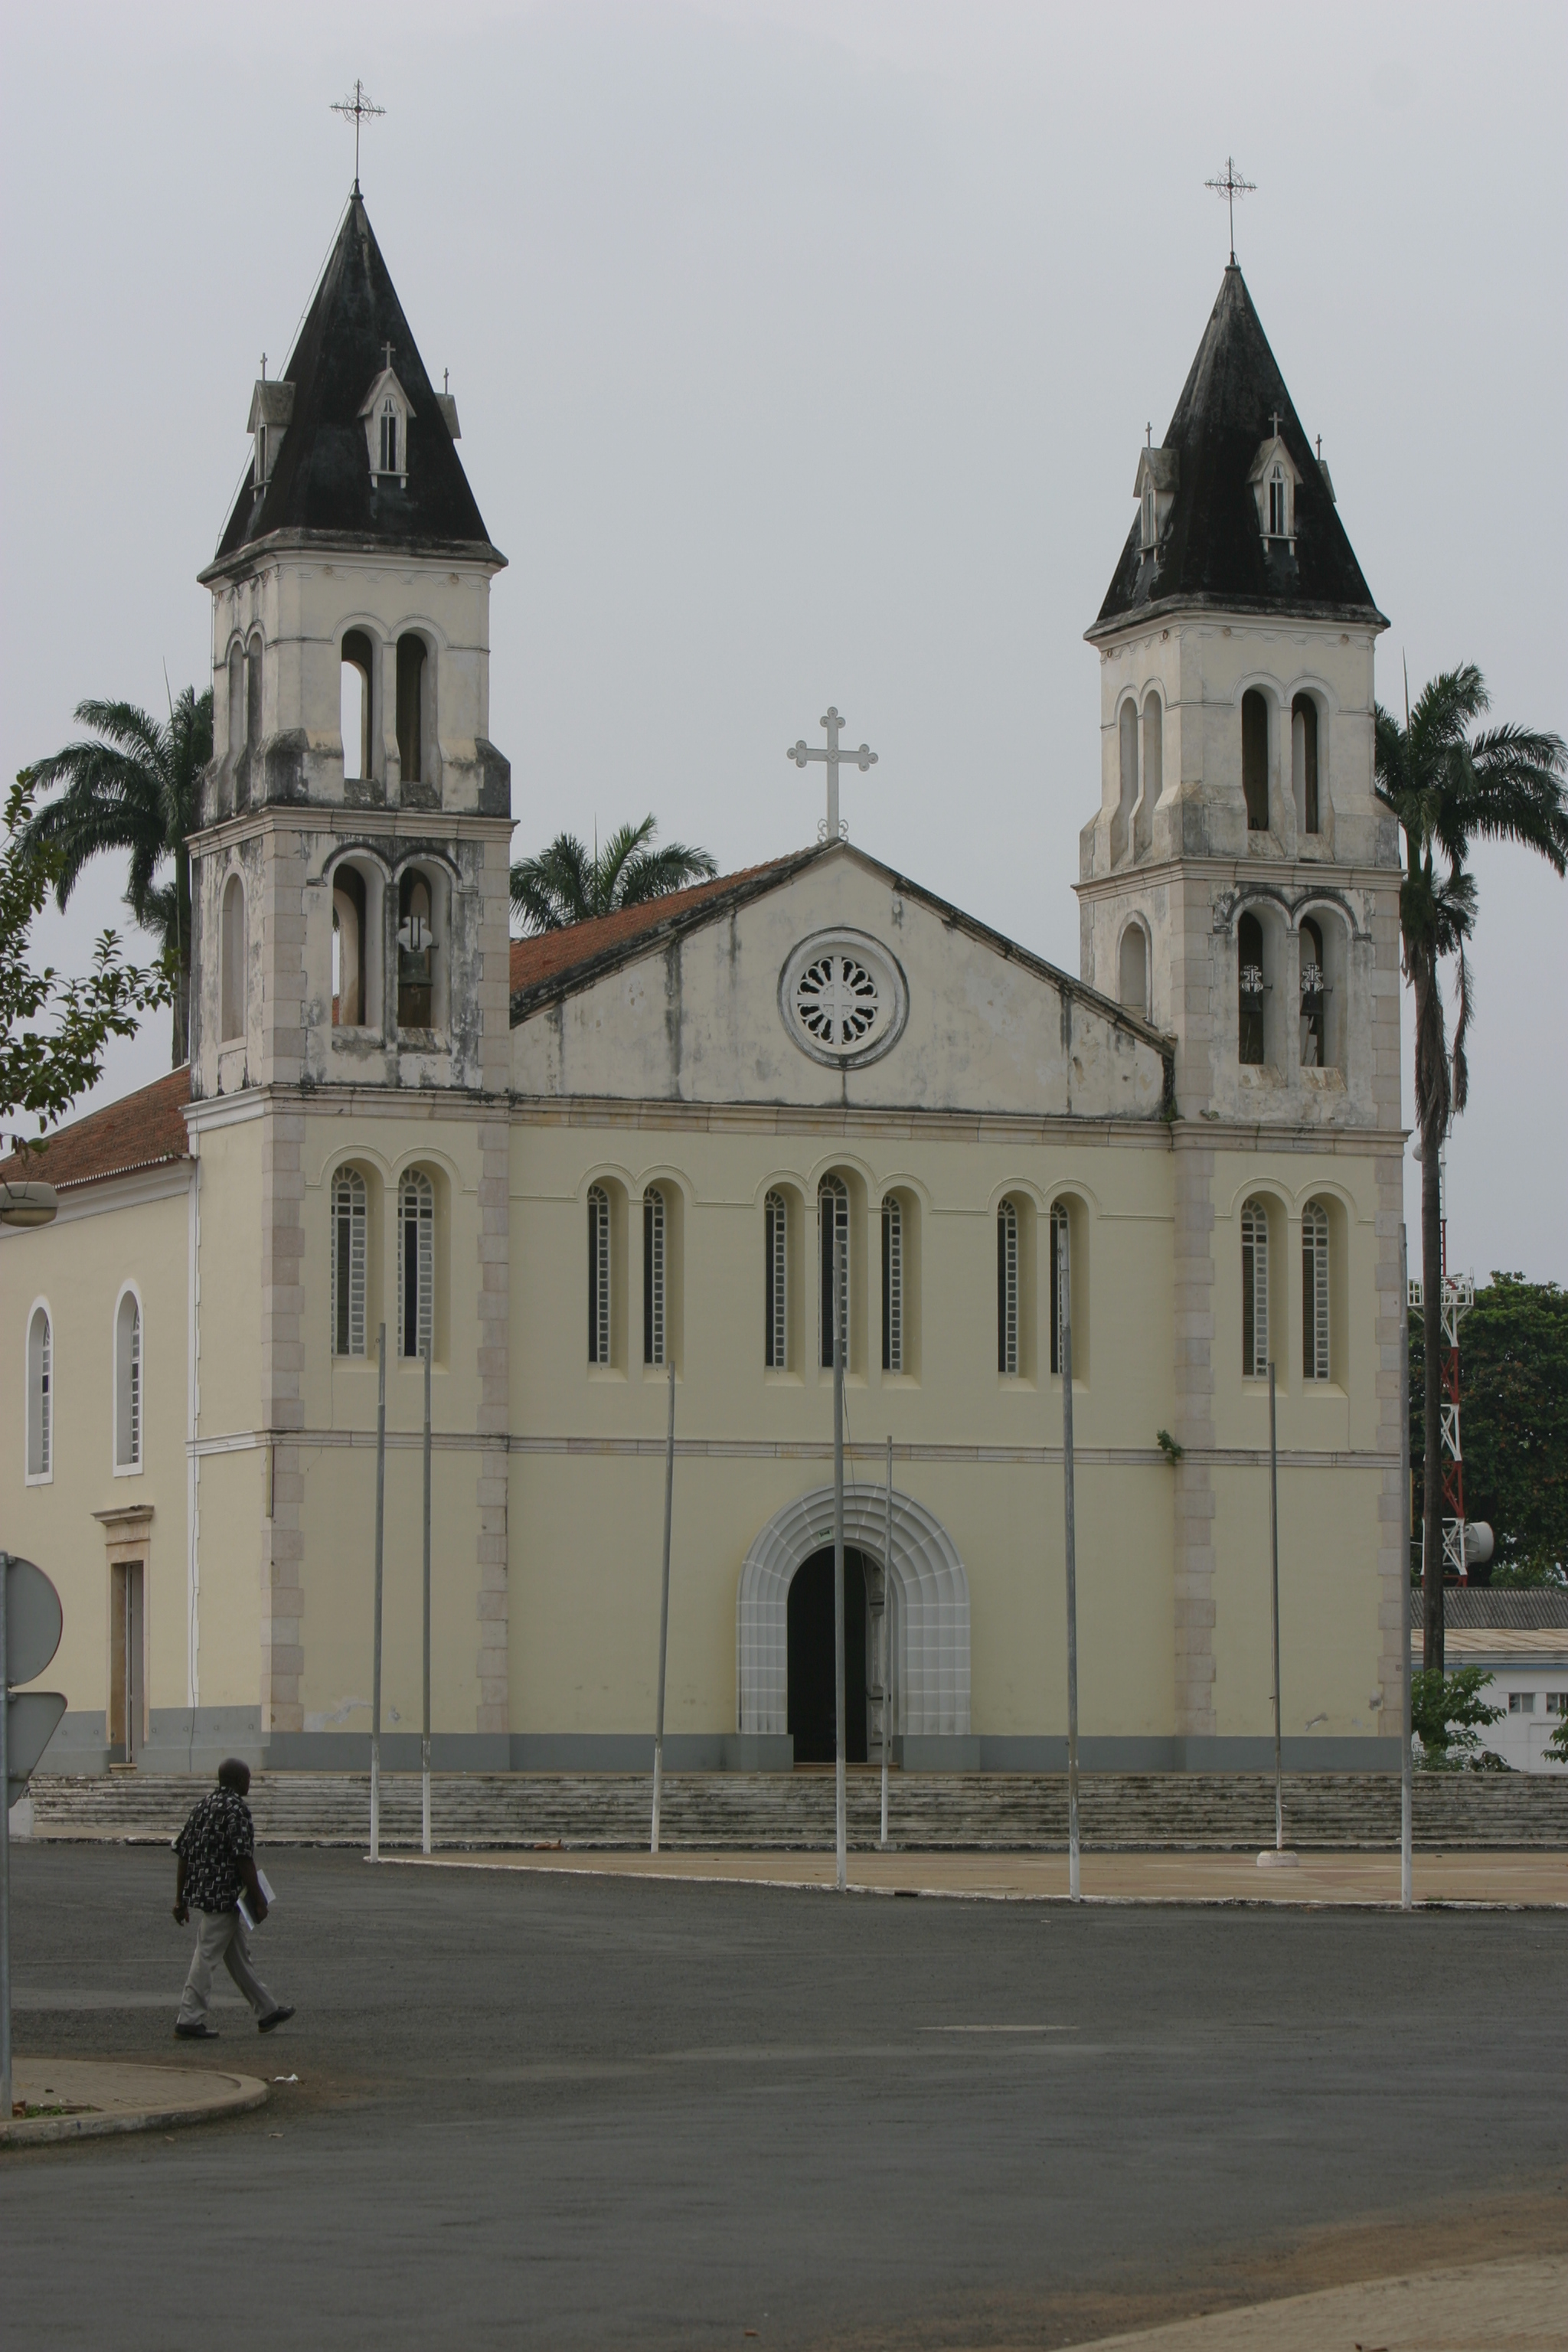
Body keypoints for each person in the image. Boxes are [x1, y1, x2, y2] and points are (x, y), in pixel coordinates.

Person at [172, 1758, 294, 2040]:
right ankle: (188, 2019)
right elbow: (243, 1859)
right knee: (206, 1955)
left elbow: (183, 1853)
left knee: (238, 1957)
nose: (250, 1782)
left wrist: (180, 1900)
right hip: (226, 1896)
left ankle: (267, 2010)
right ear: (239, 1781)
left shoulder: (202, 1807)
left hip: (206, 1893)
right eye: (248, 1778)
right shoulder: (237, 1810)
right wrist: (259, 1900)